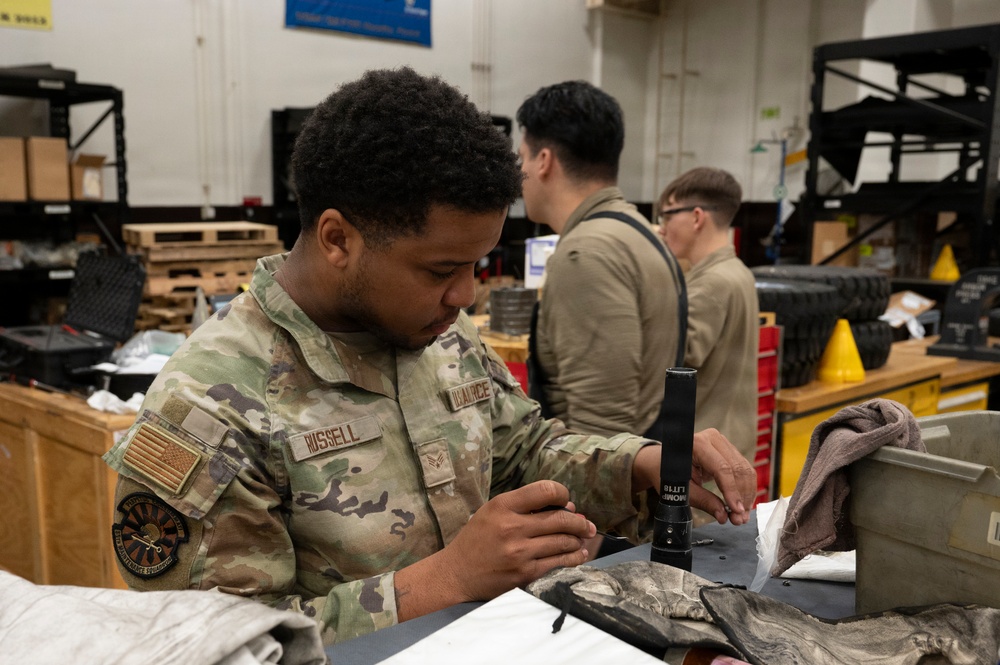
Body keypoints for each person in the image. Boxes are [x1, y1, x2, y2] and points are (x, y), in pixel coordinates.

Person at [103, 67, 756, 647]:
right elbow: (217, 644)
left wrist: (636, 463)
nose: (466, 294)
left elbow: (519, 447)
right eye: (442, 268)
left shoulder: (436, 328)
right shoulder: (210, 408)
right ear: (338, 239)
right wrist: (446, 578)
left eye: (477, 265)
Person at [516, 80, 685, 440]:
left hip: (606, 485)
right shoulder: (637, 231)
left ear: (544, 161)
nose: (520, 174)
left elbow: (601, 432)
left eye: (522, 158)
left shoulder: (587, 253)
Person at [656, 167, 759, 467]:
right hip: (729, 447)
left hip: (705, 461)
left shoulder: (710, 284)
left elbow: (671, 363)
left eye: (667, 216)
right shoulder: (738, 272)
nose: (662, 228)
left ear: (697, 217)